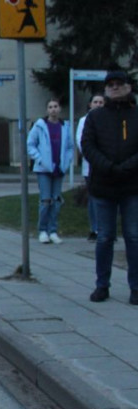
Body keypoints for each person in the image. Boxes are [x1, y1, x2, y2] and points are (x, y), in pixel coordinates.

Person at [82, 70, 138, 304]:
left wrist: (126, 166)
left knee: (133, 236)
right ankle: (101, 285)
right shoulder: (96, 117)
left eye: (119, 84)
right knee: (104, 237)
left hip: (132, 185)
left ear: (128, 87)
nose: (115, 87)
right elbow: (87, 145)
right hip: (104, 185)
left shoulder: (136, 115)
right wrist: (108, 166)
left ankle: (135, 288)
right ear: (105, 89)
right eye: (110, 84)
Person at [26, 97, 73, 244]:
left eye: (56, 106)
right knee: (45, 200)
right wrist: (39, 159)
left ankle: (53, 230)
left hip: (59, 168)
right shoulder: (40, 126)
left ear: (59, 109)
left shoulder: (65, 126)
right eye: (50, 107)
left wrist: (66, 162)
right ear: (47, 110)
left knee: (56, 200)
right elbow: (30, 144)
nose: (53, 109)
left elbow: (70, 147)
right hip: (44, 169)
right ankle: (42, 230)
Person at [76, 93, 105, 242]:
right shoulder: (84, 120)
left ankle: (104, 228)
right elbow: (81, 143)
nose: (98, 104)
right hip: (91, 166)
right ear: (90, 104)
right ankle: (94, 228)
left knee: (106, 199)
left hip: (106, 167)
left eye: (101, 102)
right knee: (93, 198)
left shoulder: (108, 119)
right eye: (96, 102)